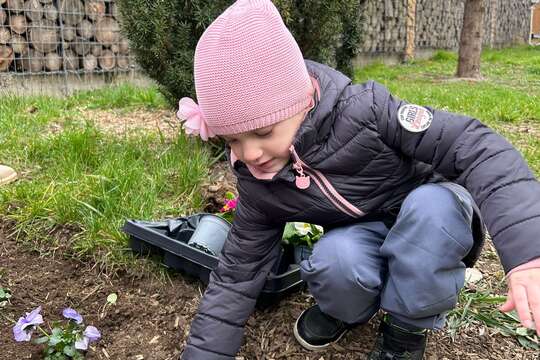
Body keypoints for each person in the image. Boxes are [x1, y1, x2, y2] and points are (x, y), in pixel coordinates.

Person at [176, 1, 540, 359]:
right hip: (367, 230)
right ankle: (345, 312)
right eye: (233, 140)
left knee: (431, 210)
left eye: (264, 131)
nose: (250, 153)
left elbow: (475, 146)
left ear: (301, 102)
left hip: (433, 217)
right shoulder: (260, 182)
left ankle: (406, 328)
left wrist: (527, 255)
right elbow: (237, 276)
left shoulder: (366, 112)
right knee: (335, 258)